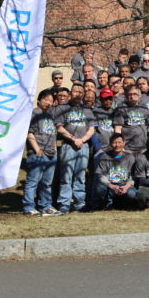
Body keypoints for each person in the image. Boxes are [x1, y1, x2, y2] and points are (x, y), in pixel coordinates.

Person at [52, 83, 96, 213]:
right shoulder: (62, 108)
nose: (78, 93)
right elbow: (59, 127)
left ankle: (79, 203)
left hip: (83, 146)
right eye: (75, 91)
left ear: (83, 94)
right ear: (71, 93)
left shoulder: (87, 110)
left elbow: (91, 129)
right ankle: (64, 203)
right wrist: (73, 139)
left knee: (80, 176)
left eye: (80, 91)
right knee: (66, 176)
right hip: (68, 146)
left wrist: (81, 140)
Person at [23, 89, 60, 216]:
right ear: (39, 100)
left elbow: (53, 135)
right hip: (37, 154)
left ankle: (46, 206)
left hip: (51, 155)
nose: (49, 103)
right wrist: (37, 149)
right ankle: (29, 207)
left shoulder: (50, 116)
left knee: (46, 183)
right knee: (33, 181)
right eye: (46, 100)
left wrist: (55, 150)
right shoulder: (34, 113)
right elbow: (29, 133)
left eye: (51, 101)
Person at [91, 134, 137, 209]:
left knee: (131, 193)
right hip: (111, 186)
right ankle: (108, 204)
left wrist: (126, 186)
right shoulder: (105, 157)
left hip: (125, 186)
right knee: (99, 188)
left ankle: (125, 204)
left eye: (119, 142)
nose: (117, 145)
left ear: (124, 143)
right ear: (110, 144)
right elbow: (101, 176)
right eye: (114, 142)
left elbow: (133, 176)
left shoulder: (130, 157)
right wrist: (112, 186)